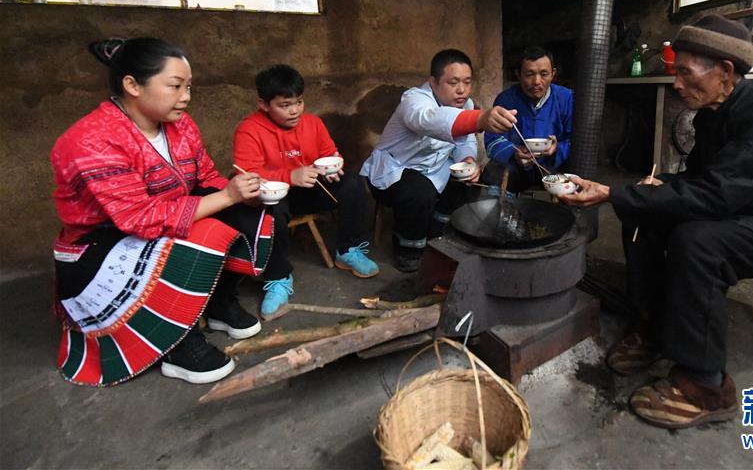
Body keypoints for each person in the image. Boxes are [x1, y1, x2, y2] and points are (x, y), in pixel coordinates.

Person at [561, 15, 753, 429]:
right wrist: (653, 187)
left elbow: (719, 195)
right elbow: (707, 182)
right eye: (675, 73)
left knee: (698, 240)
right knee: (644, 208)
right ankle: (654, 325)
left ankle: (706, 386)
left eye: (685, 72)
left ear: (724, 71)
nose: (677, 85)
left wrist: (614, 191)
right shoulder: (713, 115)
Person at [51, 38, 277, 386]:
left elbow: (205, 178)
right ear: (132, 85)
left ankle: (217, 303)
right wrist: (226, 197)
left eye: (188, 86)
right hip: (102, 248)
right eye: (174, 86)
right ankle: (175, 342)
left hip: (159, 220)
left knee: (248, 216)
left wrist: (243, 194)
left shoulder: (181, 125)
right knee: (202, 236)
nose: (185, 96)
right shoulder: (91, 140)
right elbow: (139, 219)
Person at [232, 64, 378, 320]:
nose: (295, 110)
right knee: (272, 209)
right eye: (285, 105)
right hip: (275, 196)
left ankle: (348, 250)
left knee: (352, 185)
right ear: (264, 104)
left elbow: (329, 153)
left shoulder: (312, 123)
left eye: (298, 102)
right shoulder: (249, 130)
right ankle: (278, 277)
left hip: (309, 188)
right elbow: (247, 177)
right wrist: (289, 176)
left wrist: (333, 165)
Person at [360, 49, 518, 272]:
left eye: (466, 82)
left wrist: (469, 160)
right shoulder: (414, 100)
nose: (461, 90)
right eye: (453, 82)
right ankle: (408, 246)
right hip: (394, 172)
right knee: (418, 191)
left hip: (434, 170)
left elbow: (464, 142)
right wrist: (480, 119)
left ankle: (437, 231)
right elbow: (427, 120)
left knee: (469, 178)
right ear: (433, 82)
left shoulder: (467, 104)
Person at [482, 46, 573, 194]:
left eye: (544, 74)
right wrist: (514, 152)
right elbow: (493, 140)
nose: (537, 81)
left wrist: (558, 148)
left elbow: (577, 141)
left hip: (554, 164)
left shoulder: (567, 98)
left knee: (576, 175)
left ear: (553, 74)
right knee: (493, 173)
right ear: (518, 74)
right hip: (517, 165)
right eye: (529, 74)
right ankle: (505, 213)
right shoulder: (506, 99)